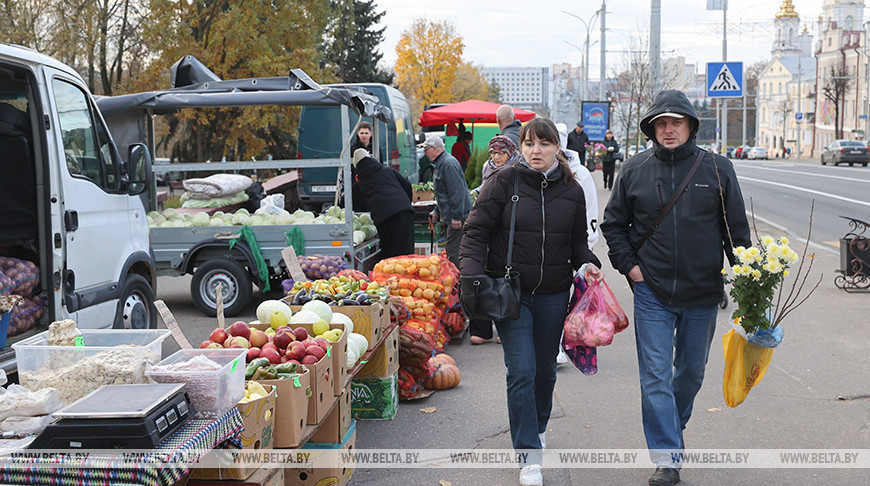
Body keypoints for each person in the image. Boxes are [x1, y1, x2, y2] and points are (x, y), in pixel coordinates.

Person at [601, 89, 751, 486]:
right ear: (652, 128)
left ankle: (671, 428)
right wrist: (631, 269)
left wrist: (754, 287)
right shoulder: (634, 170)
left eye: (676, 123)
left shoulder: (717, 169)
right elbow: (613, 225)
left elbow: (736, 233)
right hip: (652, 290)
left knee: (690, 373)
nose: (668, 130)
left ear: (690, 126)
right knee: (654, 374)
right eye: (661, 124)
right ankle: (668, 458)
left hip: (703, 292)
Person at [460, 118, 602, 486]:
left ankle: (537, 427)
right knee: (520, 370)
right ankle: (528, 455)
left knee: (545, 370)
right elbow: (475, 231)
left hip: (555, 294)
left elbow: (577, 241)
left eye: (543, 144)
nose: (535, 151)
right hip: (512, 294)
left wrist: (588, 263)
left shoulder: (571, 189)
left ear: (557, 147)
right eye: (528, 144)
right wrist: (471, 273)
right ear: (520, 147)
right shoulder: (503, 182)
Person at [468, 134, 520, 345]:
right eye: (494, 153)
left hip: (507, 228)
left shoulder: (518, 170)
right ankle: (481, 328)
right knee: (480, 273)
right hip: (486, 224)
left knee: (503, 275)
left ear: (510, 153)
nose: (497, 157)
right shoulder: (487, 168)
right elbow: (484, 186)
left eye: (501, 153)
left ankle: (504, 325)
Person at [351, 148, 415, 260]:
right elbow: (407, 185)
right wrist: (405, 204)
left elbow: (356, 204)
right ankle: (407, 276)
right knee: (407, 254)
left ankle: (392, 277)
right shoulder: (386, 169)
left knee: (391, 255)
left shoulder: (361, 180)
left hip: (386, 217)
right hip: (405, 212)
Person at [425, 135, 472, 269]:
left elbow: (457, 193)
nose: (424, 152)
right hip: (451, 216)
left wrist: (456, 217)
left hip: (458, 218)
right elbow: (443, 193)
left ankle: (458, 284)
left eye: (426, 149)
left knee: (453, 252)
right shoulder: (441, 163)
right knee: (452, 251)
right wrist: (436, 211)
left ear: (434, 149)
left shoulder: (448, 164)